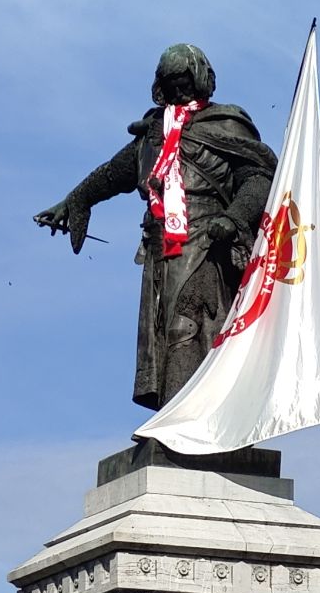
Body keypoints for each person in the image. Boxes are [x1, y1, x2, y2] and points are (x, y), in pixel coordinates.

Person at [36, 44, 278, 411]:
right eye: (171, 83)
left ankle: (185, 421)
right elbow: (112, 174)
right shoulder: (154, 133)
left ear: (199, 80)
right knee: (164, 334)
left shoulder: (227, 125)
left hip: (207, 244)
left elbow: (259, 178)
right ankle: (174, 413)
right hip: (160, 248)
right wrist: (75, 201)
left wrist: (233, 218)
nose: (179, 90)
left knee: (189, 326)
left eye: (184, 81)